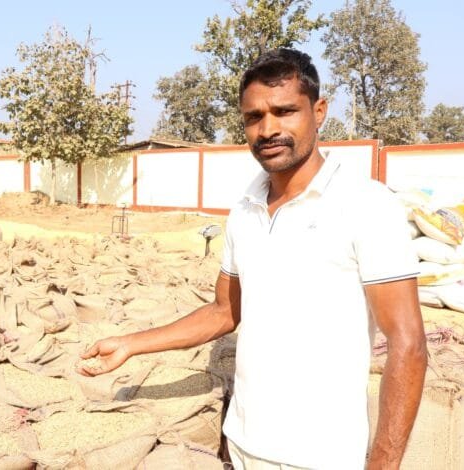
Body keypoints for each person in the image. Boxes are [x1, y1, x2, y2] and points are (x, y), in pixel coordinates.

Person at [78, 48, 427, 470]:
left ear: (318, 112)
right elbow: (224, 311)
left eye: (285, 111)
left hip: (318, 456)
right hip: (243, 444)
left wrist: (384, 464)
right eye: (254, 117)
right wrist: (131, 344)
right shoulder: (245, 209)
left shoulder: (366, 204)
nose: (268, 129)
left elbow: (407, 342)